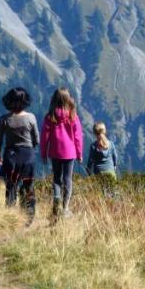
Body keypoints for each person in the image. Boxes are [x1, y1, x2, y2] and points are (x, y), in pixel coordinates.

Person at [0, 87, 38, 223]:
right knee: (28, 186)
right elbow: (37, 139)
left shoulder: (4, 119)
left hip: (11, 156)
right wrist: (30, 149)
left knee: (11, 186)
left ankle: (10, 218)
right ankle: (29, 216)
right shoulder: (31, 118)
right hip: (27, 156)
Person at [40, 87, 83, 220]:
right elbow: (78, 137)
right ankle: (65, 208)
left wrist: (44, 153)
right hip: (70, 153)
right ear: (67, 99)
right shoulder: (72, 116)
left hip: (55, 152)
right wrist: (79, 153)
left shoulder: (50, 116)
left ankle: (56, 202)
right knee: (67, 179)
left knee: (57, 179)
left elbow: (44, 136)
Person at [85, 122, 117, 192]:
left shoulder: (93, 146)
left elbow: (90, 160)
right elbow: (115, 156)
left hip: (99, 173)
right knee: (112, 192)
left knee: (102, 193)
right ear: (104, 131)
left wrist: (88, 169)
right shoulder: (111, 144)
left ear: (94, 133)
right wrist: (114, 165)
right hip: (111, 172)